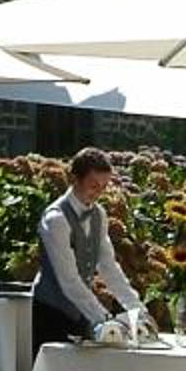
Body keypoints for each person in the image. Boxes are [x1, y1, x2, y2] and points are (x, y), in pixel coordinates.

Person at [33, 147, 147, 347]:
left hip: (82, 312)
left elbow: (108, 267)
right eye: (93, 185)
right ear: (75, 179)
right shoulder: (56, 219)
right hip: (50, 313)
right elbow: (69, 281)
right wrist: (104, 318)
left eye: (104, 187)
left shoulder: (99, 215)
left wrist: (137, 310)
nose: (98, 193)